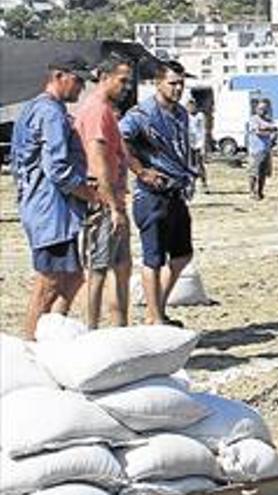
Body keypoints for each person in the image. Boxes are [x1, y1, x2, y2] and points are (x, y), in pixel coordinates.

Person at [11, 56, 100, 339]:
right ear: (59, 76)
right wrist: (88, 193)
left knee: (73, 278)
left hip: (50, 208)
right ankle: (30, 345)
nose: (81, 87)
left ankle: (50, 337)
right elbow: (57, 169)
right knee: (48, 282)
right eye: (78, 80)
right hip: (51, 211)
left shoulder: (35, 108)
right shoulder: (50, 113)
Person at [119, 60, 196, 327]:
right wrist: (141, 171)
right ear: (158, 83)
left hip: (176, 190)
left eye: (181, 84)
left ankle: (157, 308)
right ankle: (154, 315)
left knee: (182, 255)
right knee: (153, 258)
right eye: (173, 83)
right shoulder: (142, 114)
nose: (178, 89)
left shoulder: (181, 114)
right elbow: (120, 140)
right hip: (152, 194)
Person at [74, 53, 134, 329]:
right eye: (122, 81)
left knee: (121, 266)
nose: (126, 87)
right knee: (98, 269)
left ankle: (119, 327)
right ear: (105, 78)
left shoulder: (105, 110)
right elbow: (98, 163)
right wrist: (112, 207)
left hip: (115, 200)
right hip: (103, 202)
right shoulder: (97, 110)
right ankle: (91, 330)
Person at [247, 99, 278, 200]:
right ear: (256, 109)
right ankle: (252, 191)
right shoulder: (253, 119)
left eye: (264, 109)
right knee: (253, 172)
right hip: (255, 150)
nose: (262, 111)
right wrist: (269, 130)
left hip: (266, 150)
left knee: (263, 173)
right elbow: (258, 132)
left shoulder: (269, 120)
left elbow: (275, 131)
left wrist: (269, 131)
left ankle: (260, 192)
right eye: (260, 108)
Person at [187, 100, 208, 193]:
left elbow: (203, 130)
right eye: (189, 107)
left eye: (192, 106)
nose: (191, 108)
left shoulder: (200, 116)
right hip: (189, 144)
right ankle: (191, 185)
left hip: (198, 144)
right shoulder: (185, 116)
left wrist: (203, 145)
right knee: (190, 165)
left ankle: (204, 183)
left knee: (200, 165)